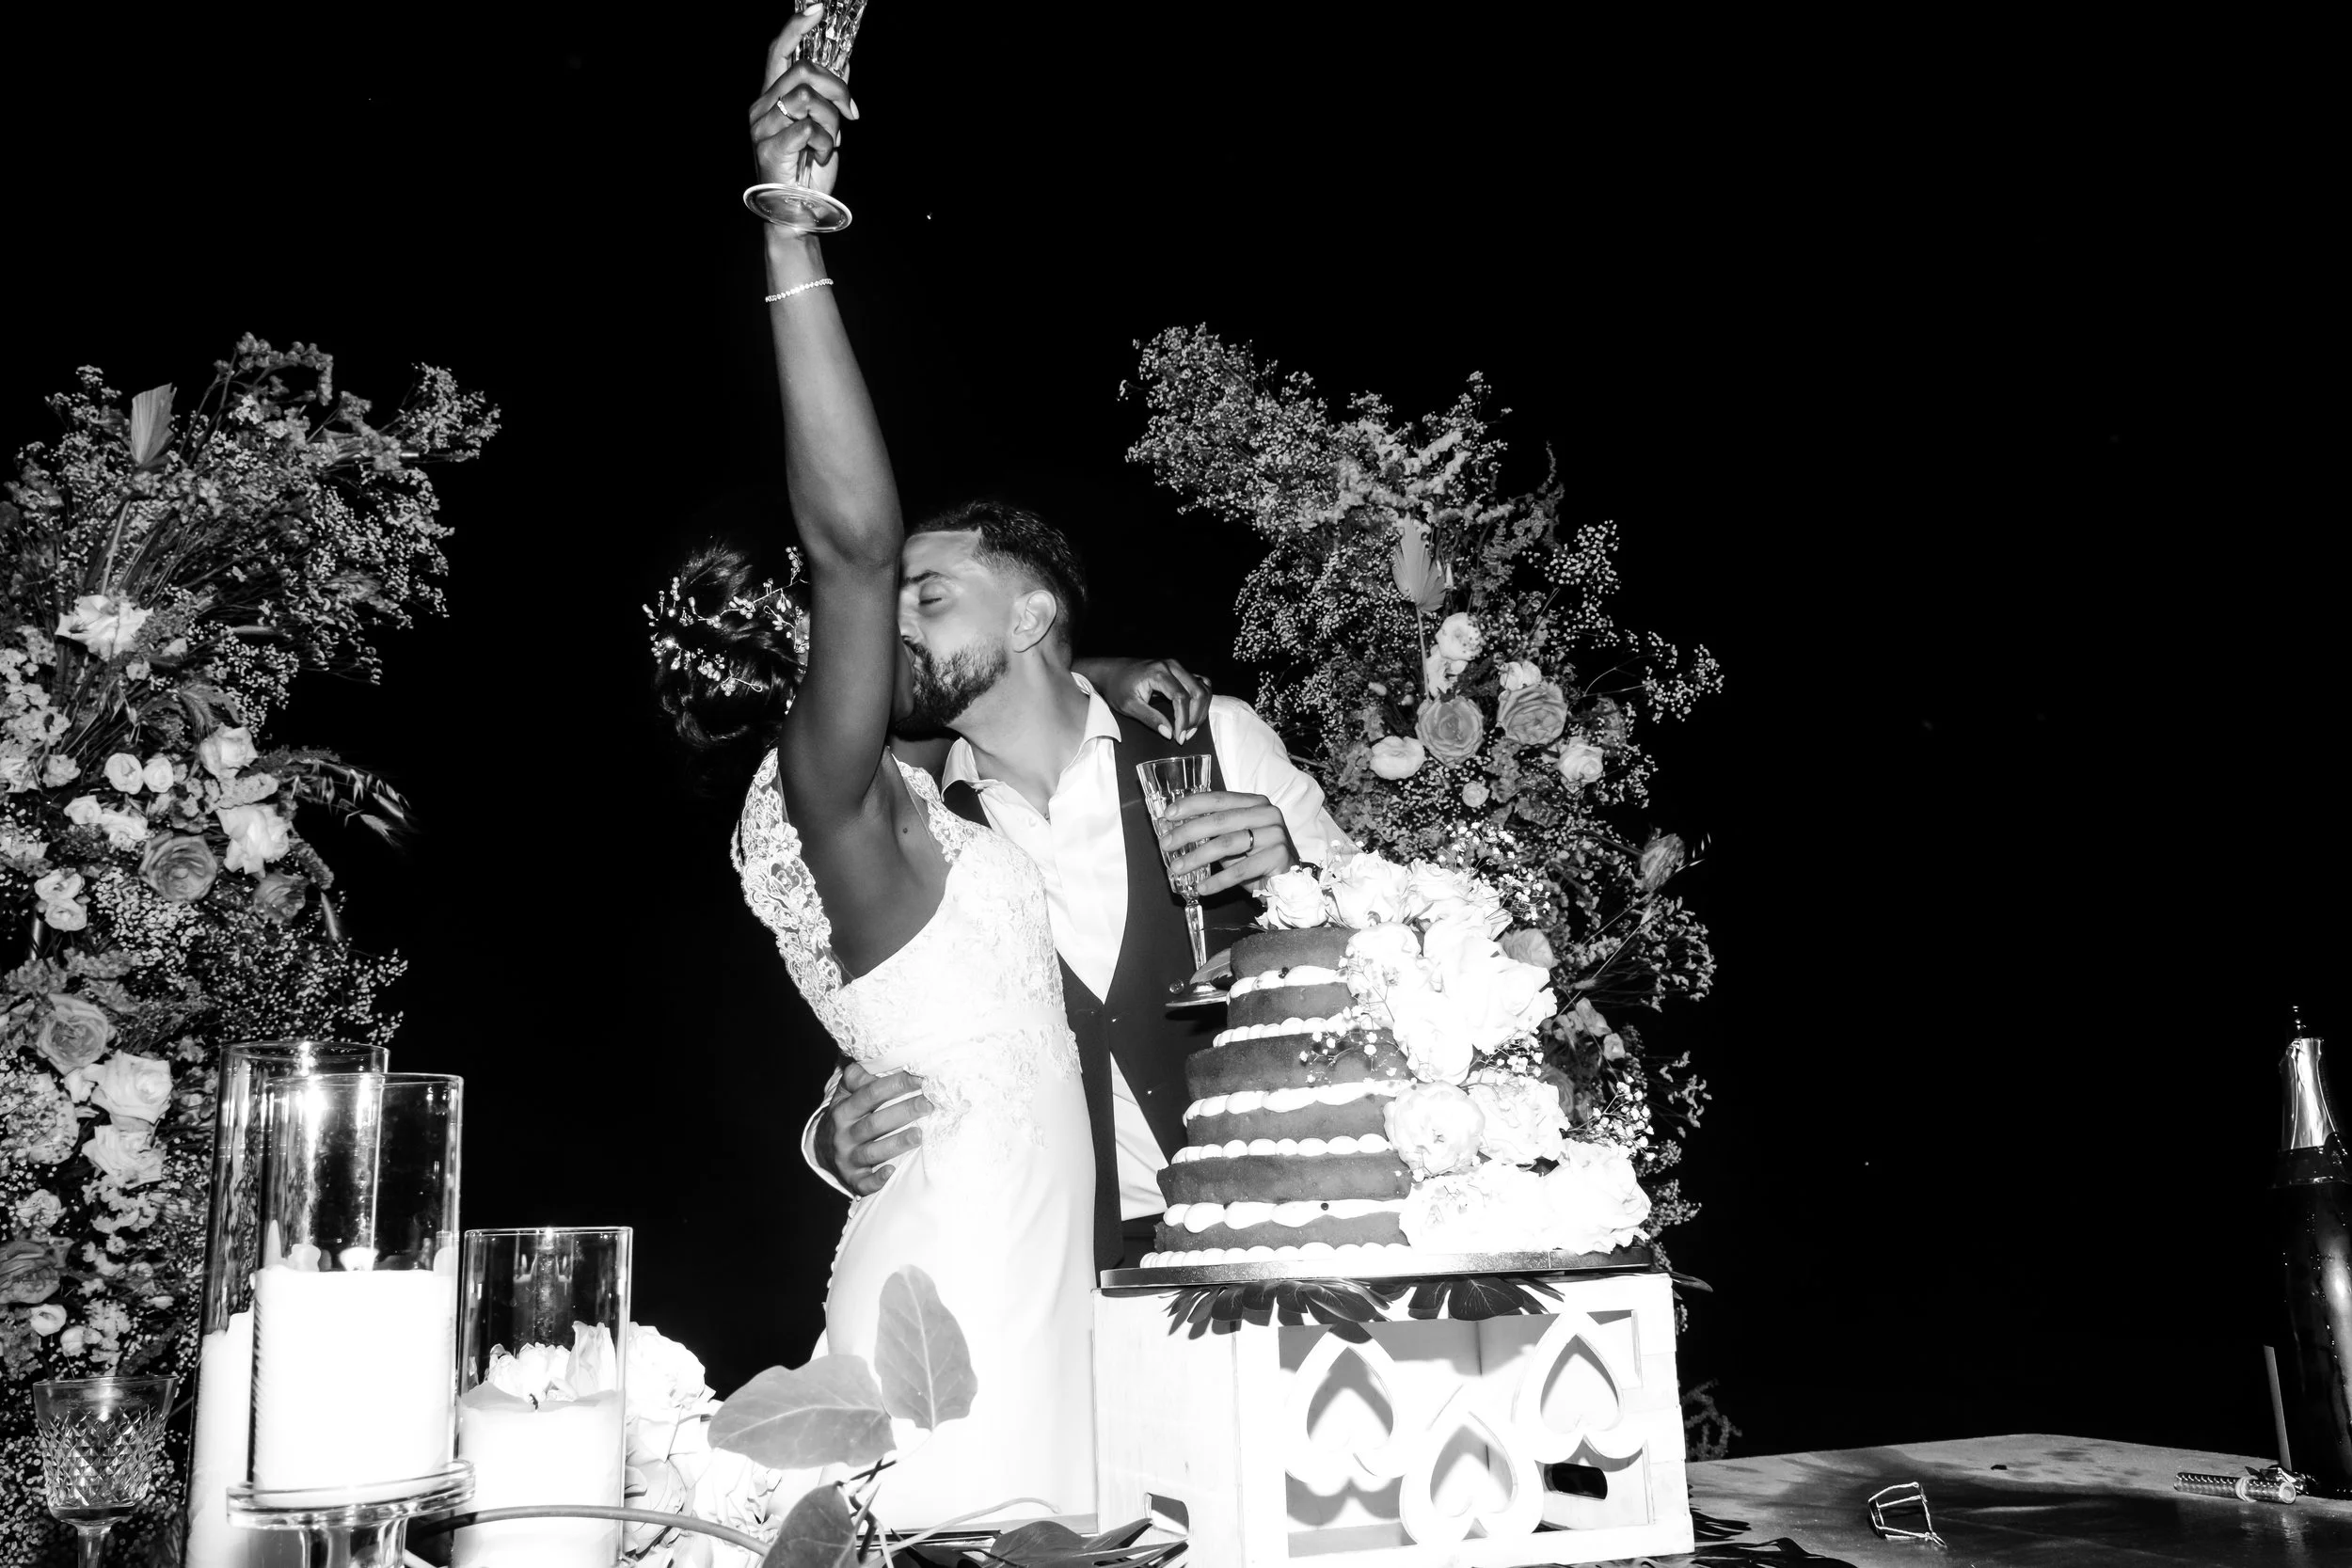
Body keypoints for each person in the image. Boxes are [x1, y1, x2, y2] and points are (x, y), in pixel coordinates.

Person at [646, 8, 1191, 1527]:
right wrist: (793, 229)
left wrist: (1089, 660)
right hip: (965, 1262)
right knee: (965, 1524)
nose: (889, 622)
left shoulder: (938, 778)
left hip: (1038, 1234)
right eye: (868, 621)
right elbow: (856, 541)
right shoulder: (834, 792)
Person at [802, 509, 1353, 1271]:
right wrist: (831, 1136)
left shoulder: (1216, 738)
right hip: (1071, 1273)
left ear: (1029, 617)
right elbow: (889, 1032)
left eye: (927, 599)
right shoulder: (919, 831)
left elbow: (1385, 954)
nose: (889, 629)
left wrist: (1293, 875)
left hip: (1293, 1222)